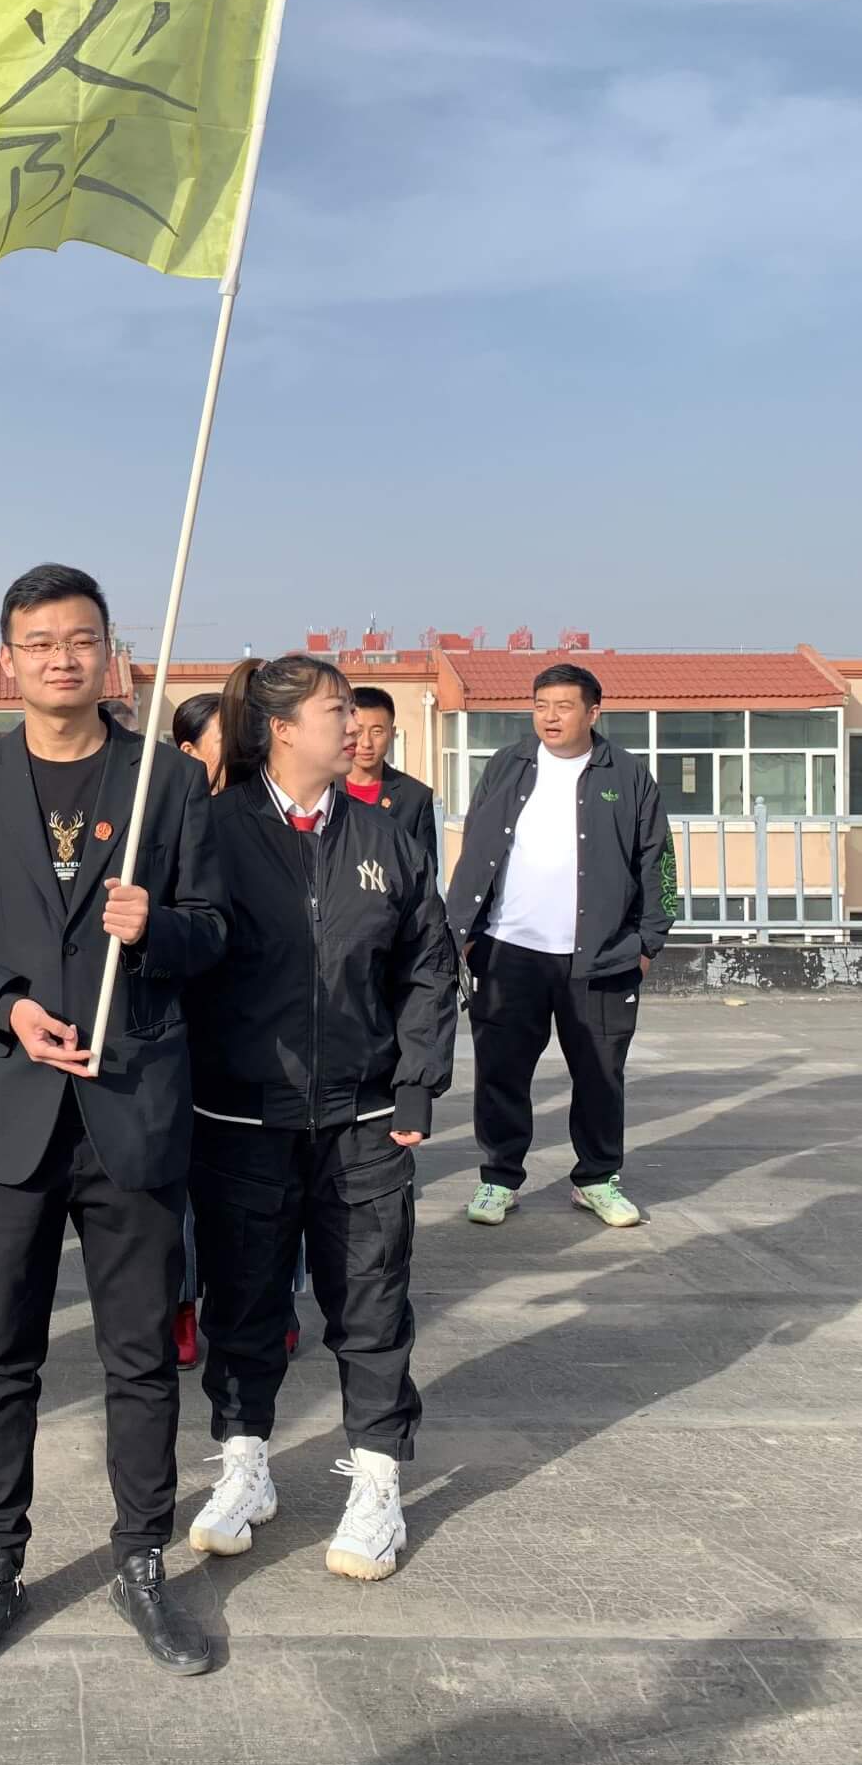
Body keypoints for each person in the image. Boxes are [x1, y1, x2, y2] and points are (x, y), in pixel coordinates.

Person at [0, 564, 226, 1678]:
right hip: (8, 1112)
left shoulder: (166, 781)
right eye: (38, 642)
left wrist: (159, 925)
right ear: (7, 660)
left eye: (79, 639)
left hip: (133, 1106)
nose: (60, 659)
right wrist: (6, 1006)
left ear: (109, 651)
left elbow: (218, 929)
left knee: (141, 1356)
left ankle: (143, 1562)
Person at [186, 654, 454, 1579]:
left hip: (365, 1113)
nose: (355, 727)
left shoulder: (386, 834)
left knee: (371, 1300)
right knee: (242, 1300)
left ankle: (377, 1482)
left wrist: (417, 1080)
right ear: (282, 728)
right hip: (239, 1115)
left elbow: (429, 964)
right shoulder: (214, 830)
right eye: (336, 711)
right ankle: (244, 1464)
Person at [447, 662, 673, 1230]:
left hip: (602, 956)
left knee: (600, 1074)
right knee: (501, 1072)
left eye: (564, 706)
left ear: (593, 712)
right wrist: (467, 933)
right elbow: (476, 844)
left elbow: (658, 861)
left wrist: (648, 943)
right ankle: (499, 1179)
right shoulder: (507, 765)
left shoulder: (628, 775)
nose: (550, 717)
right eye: (541, 705)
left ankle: (596, 1178)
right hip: (508, 949)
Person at [168, 692, 225, 1372]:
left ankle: (266, 1298)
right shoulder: (166, 816)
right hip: (181, 1020)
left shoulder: (259, 818)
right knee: (180, 1176)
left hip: (251, 1025)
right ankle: (181, 1303)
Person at [346, 685, 439, 869]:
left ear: (392, 733)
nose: (366, 743)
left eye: (377, 731)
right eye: (358, 732)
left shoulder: (415, 798)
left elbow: (425, 872)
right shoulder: (322, 790)